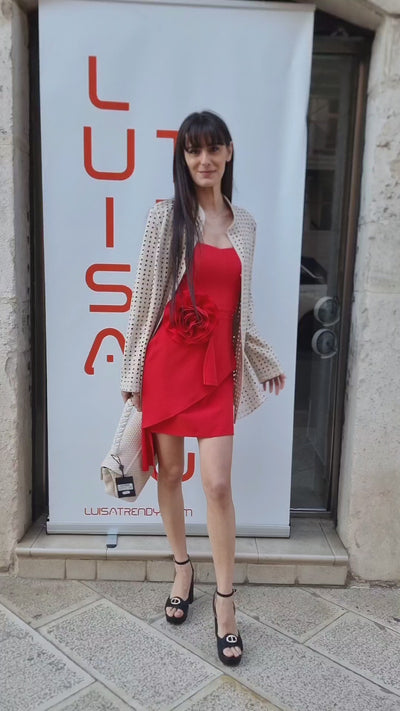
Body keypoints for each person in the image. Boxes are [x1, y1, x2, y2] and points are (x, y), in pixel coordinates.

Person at [120, 110, 286, 666]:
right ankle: (181, 569)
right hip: (168, 363)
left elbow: (242, 309)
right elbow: (145, 299)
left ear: (229, 153)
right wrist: (132, 375)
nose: (204, 160)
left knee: (216, 484)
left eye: (213, 149)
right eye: (194, 151)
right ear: (183, 157)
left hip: (216, 369)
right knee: (170, 474)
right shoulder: (165, 217)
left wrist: (261, 359)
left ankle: (225, 602)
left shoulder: (247, 225)